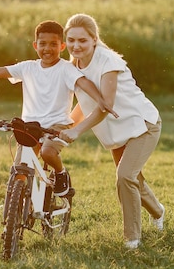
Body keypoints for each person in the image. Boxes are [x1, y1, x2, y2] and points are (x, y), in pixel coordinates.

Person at [0, 20, 117, 196]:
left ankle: (61, 173)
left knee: (48, 152)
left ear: (62, 46)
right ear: (35, 45)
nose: (47, 48)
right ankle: (17, 213)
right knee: (19, 172)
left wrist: (101, 100)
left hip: (57, 125)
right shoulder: (27, 67)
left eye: (53, 44)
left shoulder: (66, 69)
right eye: (42, 44)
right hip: (28, 126)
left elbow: (84, 83)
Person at [59, 13, 164, 249]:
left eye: (83, 40)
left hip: (141, 124)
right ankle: (158, 212)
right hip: (116, 133)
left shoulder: (108, 62)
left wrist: (77, 132)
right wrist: (66, 124)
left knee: (125, 176)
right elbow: (82, 103)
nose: (76, 46)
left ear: (94, 39)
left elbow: (105, 106)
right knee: (133, 178)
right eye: (72, 40)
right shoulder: (73, 65)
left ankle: (132, 239)